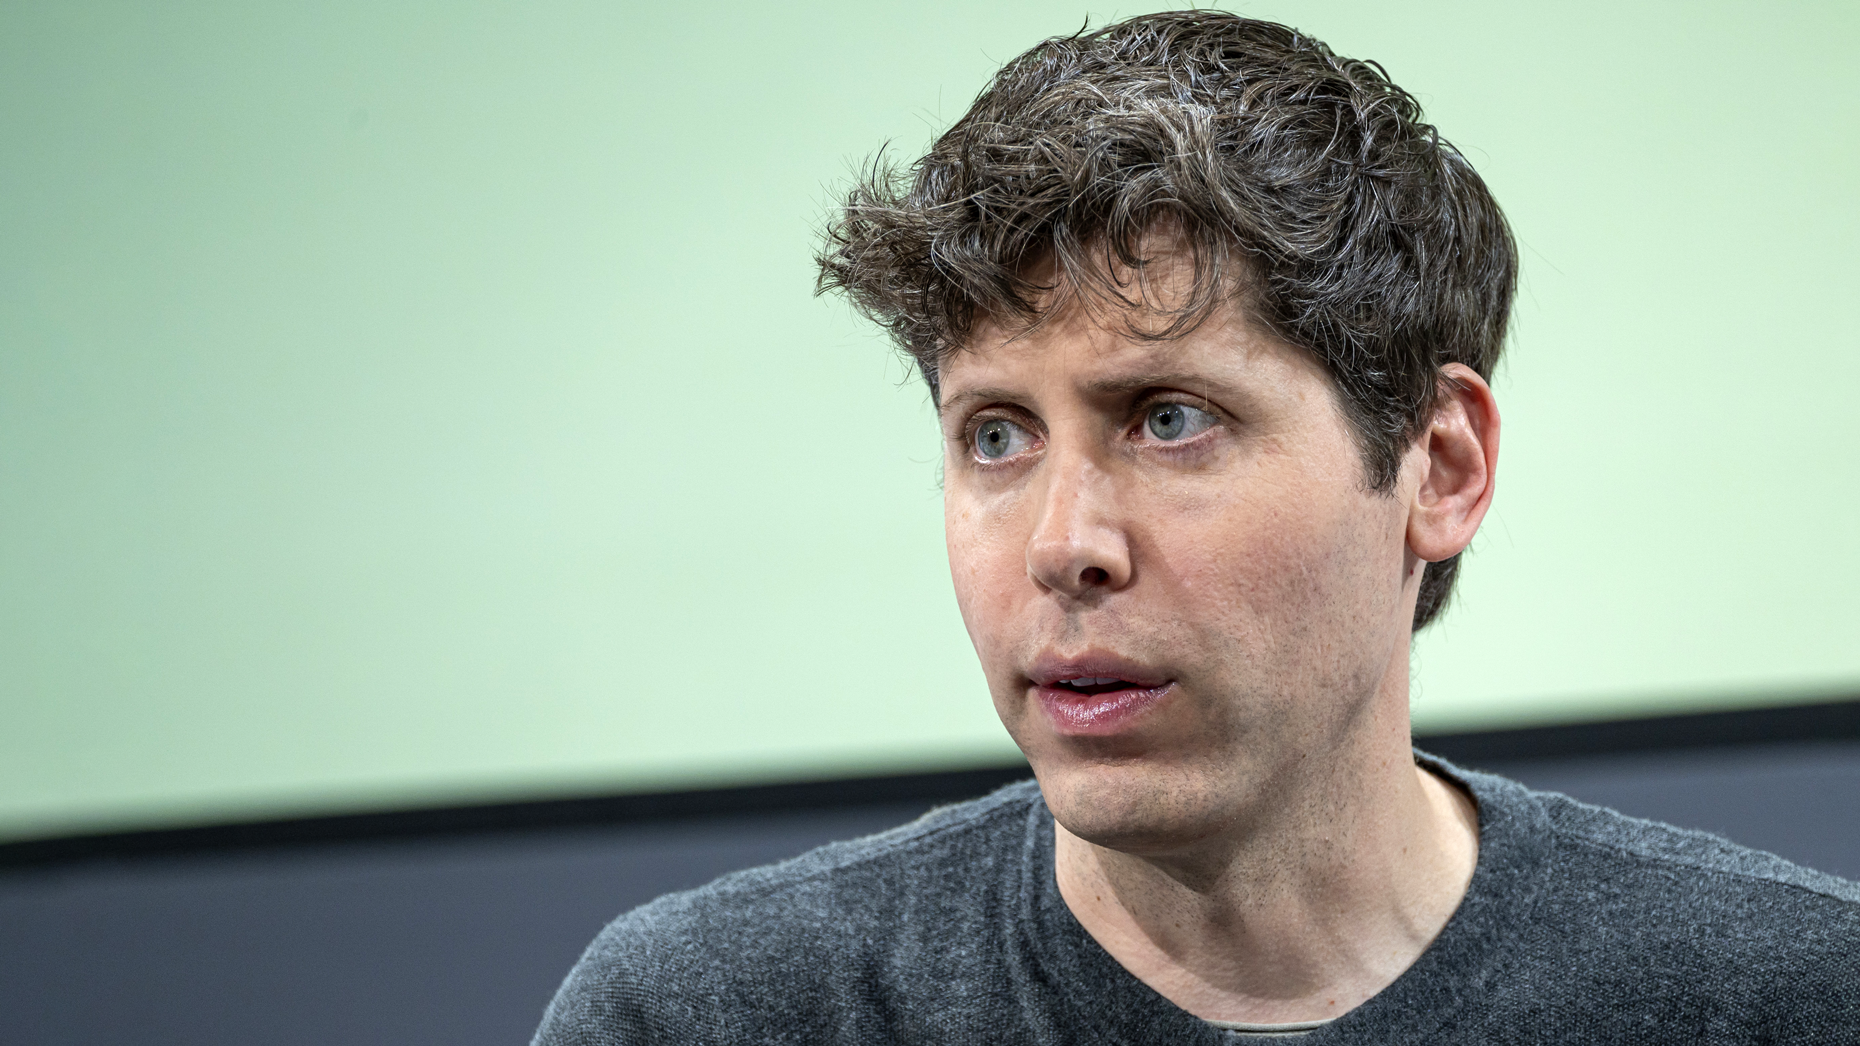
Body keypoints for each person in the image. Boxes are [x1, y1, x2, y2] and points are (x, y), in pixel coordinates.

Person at [534, 12, 1858, 1043]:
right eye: (995, 434)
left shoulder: (1790, 1002)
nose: (1062, 544)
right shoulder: (717, 1013)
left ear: (1440, 467)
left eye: (1170, 418)